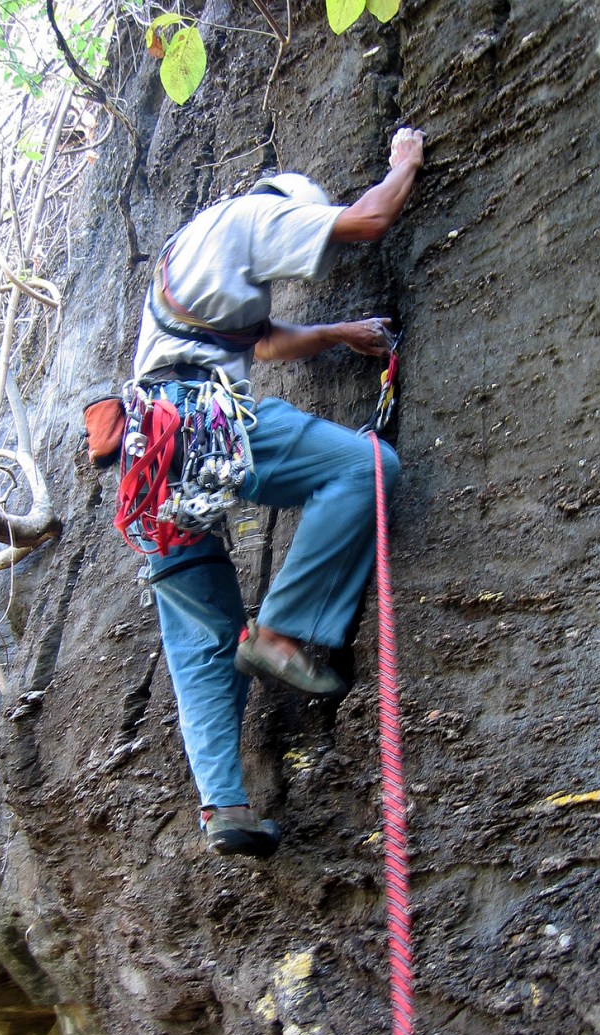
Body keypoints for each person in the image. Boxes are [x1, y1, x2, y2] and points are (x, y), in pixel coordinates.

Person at [129, 127, 425, 859]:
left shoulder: (189, 255)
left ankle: (223, 808)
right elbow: (367, 221)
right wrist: (404, 163)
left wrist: (337, 334)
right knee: (363, 468)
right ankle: (284, 629)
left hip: (150, 458)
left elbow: (259, 342)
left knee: (201, 640)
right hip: (199, 420)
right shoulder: (250, 215)